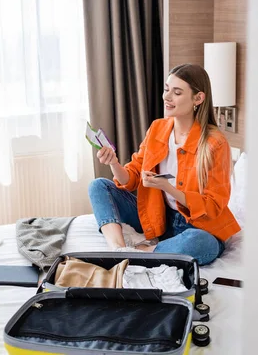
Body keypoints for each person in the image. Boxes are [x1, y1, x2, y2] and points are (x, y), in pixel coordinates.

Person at [88, 64, 241, 265]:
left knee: (202, 244)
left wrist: (169, 188)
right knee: (98, 186)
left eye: (177, 92)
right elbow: (131, 177)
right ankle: (117, 250)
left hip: (196, 226)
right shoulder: (157, 128)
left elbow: (213, 205)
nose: (167, 97)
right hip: (157, 217)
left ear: (198, 98)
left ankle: (147, 251)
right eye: (166, 89)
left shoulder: (215, 143)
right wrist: (114, 163)